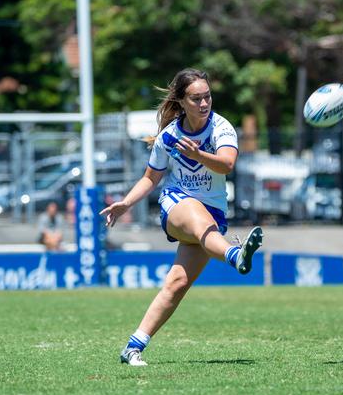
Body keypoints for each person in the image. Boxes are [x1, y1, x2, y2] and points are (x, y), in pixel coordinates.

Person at [100, 68, 263, 367]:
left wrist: (200, 155)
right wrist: (125, 203)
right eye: (196, 98)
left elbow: (227, 164)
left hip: (212, 213)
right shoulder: (169, 136)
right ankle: (235, 255)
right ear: (182, 101)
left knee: (176, 283)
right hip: (176, 205)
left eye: (207, 96)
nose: (204, 103)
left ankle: (132, 348)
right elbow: (150, 178)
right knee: (197, 219)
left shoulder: (222, 127)